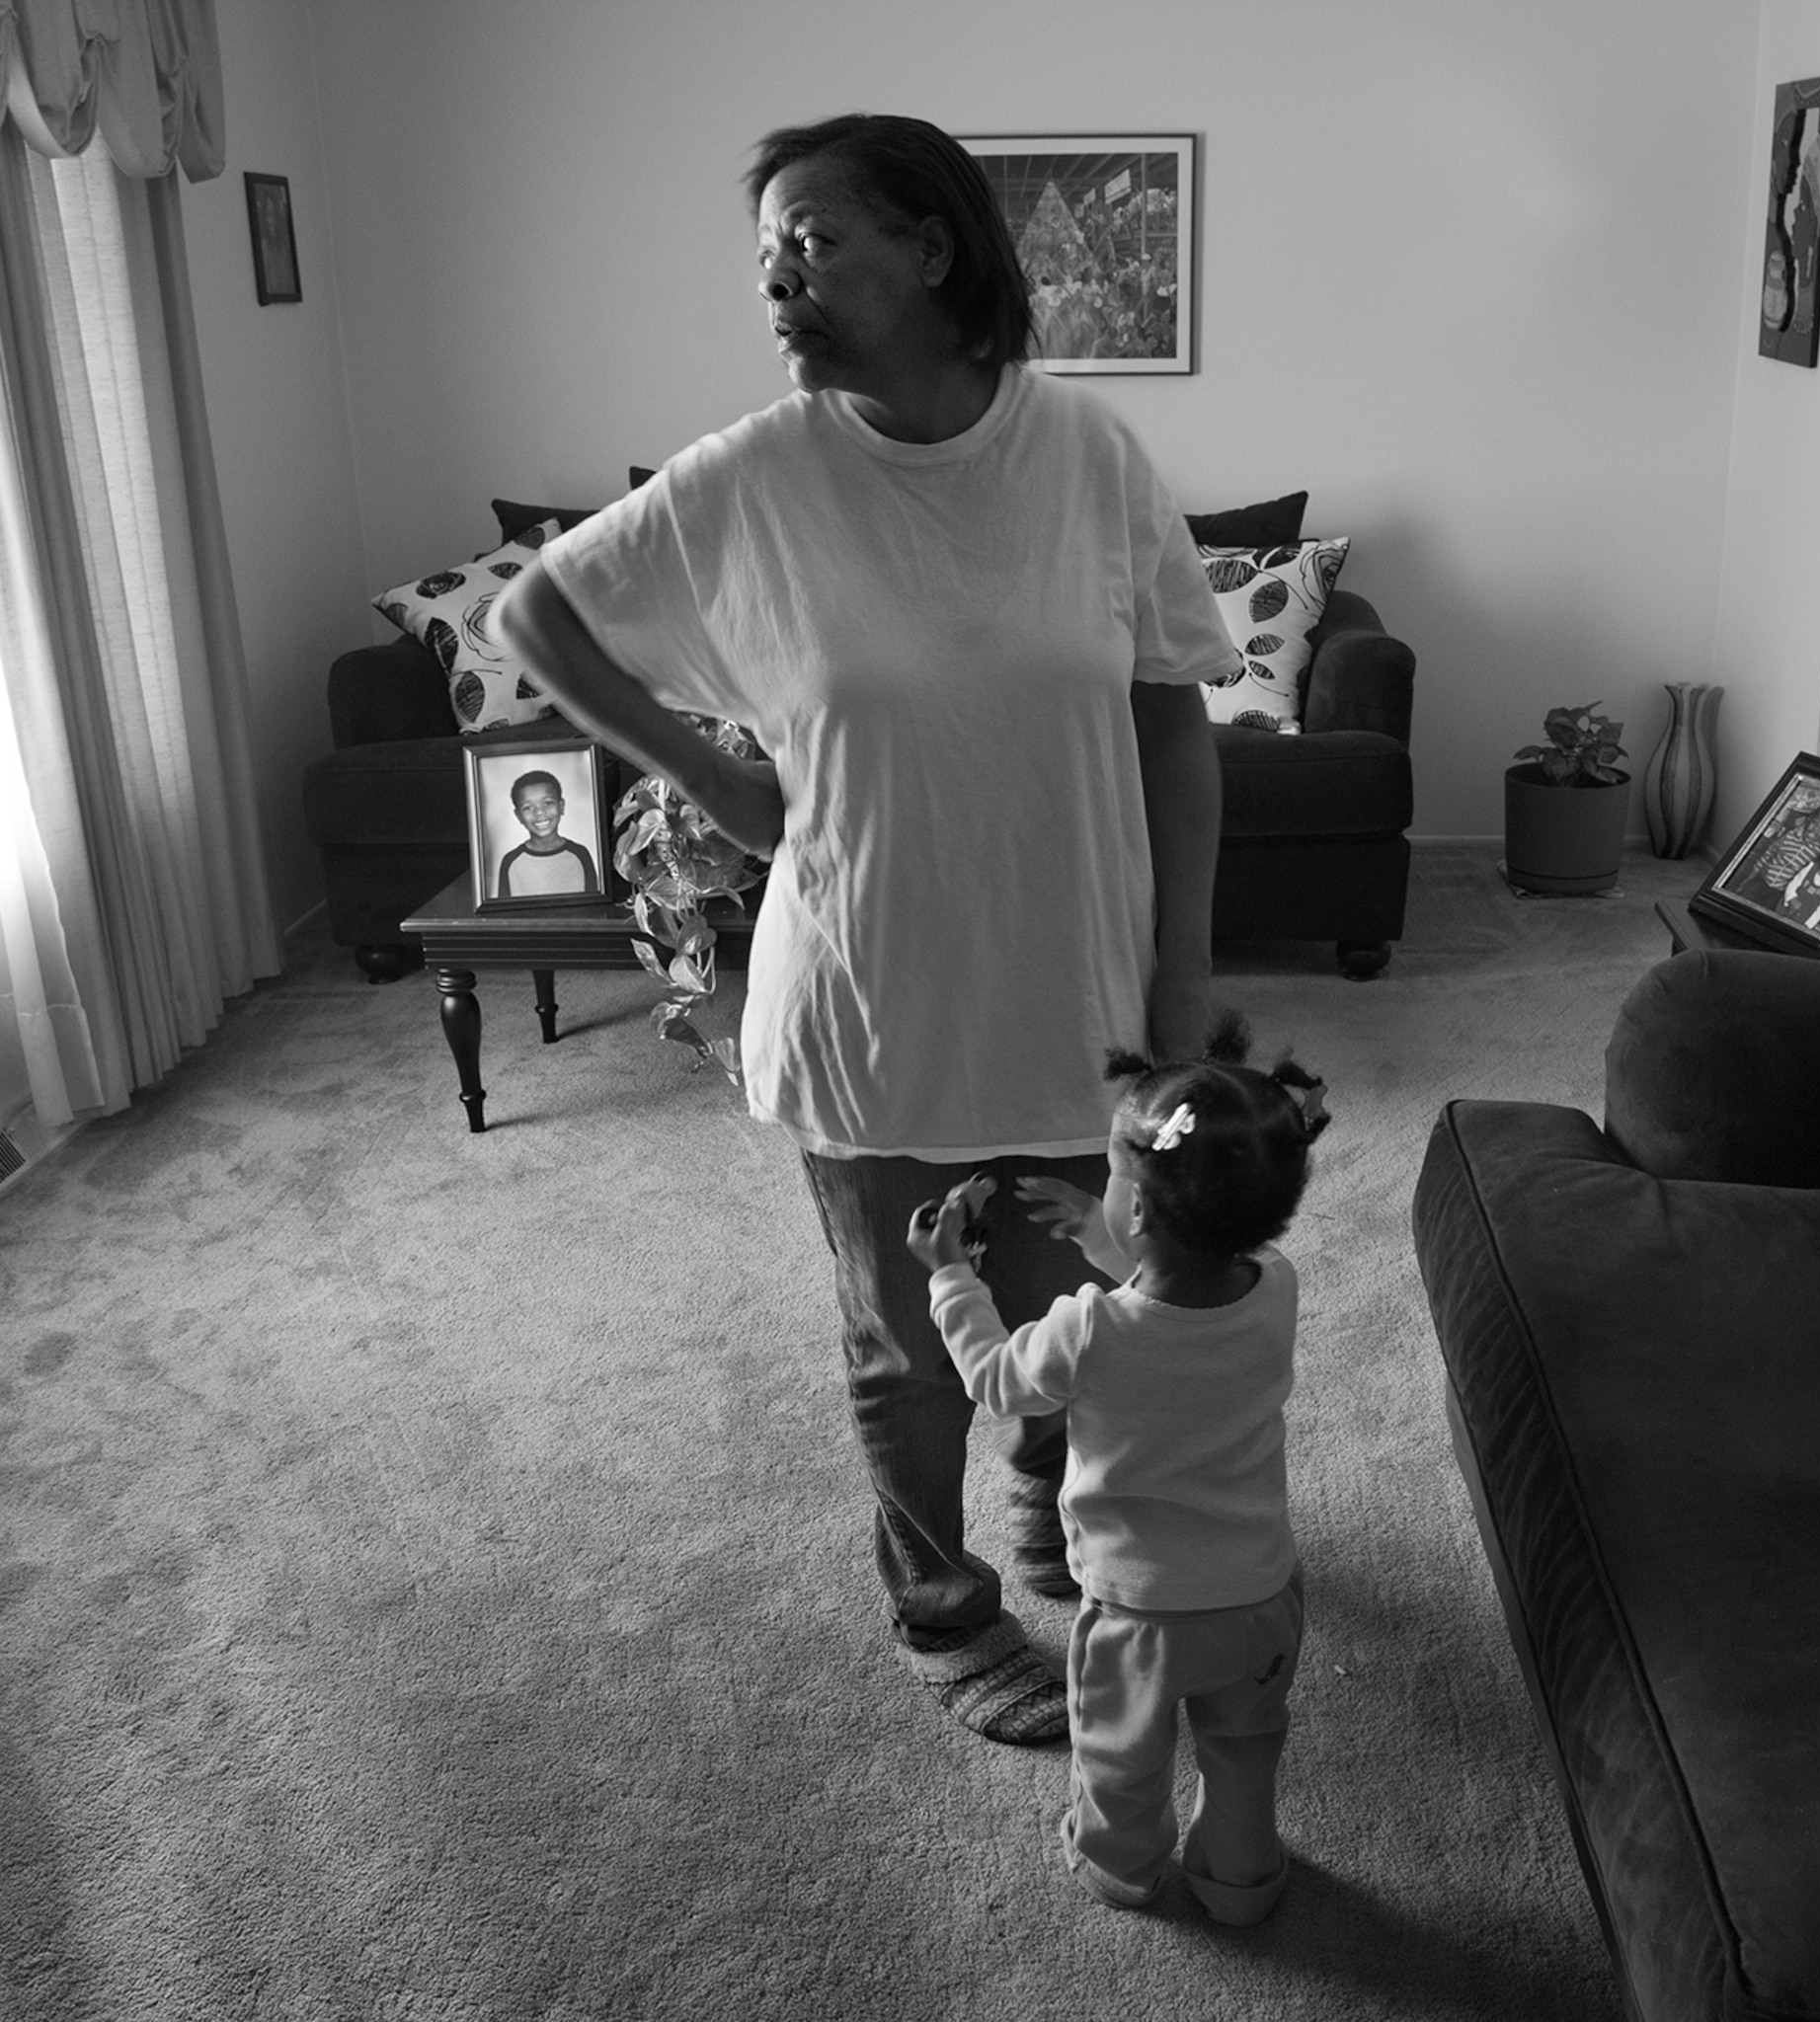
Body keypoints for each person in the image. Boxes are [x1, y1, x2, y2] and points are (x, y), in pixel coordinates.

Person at [488, 114, 1232, 1748]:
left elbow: (1173, 717)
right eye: (764, 252)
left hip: (1075, 987)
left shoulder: (1088, 457)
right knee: (903, 1345)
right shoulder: (757, 473)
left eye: (812, 243)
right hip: (866, 1000)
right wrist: (707, 766)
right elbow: (529, 606)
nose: (777, 281)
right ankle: (938, 1600)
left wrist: (1183, 969)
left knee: (1077, 1301)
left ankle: (1045, 1504)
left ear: (933, 248)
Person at [905, 1018, 1328, 1924]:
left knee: (1120, 1761)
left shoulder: (1087, 1328)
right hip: (1259, 1596)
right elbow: (1181, 1303)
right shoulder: (1277, 1284)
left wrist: (951, 1277)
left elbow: (997, 1379)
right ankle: (1241, 1879)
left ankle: (1122, 1872)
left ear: (1136, 1211)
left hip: (1140, 1611)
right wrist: (1110, 1246)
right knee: (1246, 1747)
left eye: (1112, 1177)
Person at [494, 768, 599, 898]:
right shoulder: (511, 862)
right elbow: (504, 915)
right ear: (518, 816)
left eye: (547, 803)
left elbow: (592, 908)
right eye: (528, 807)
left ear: (561, 806)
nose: (539, 812)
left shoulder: (580, 854)